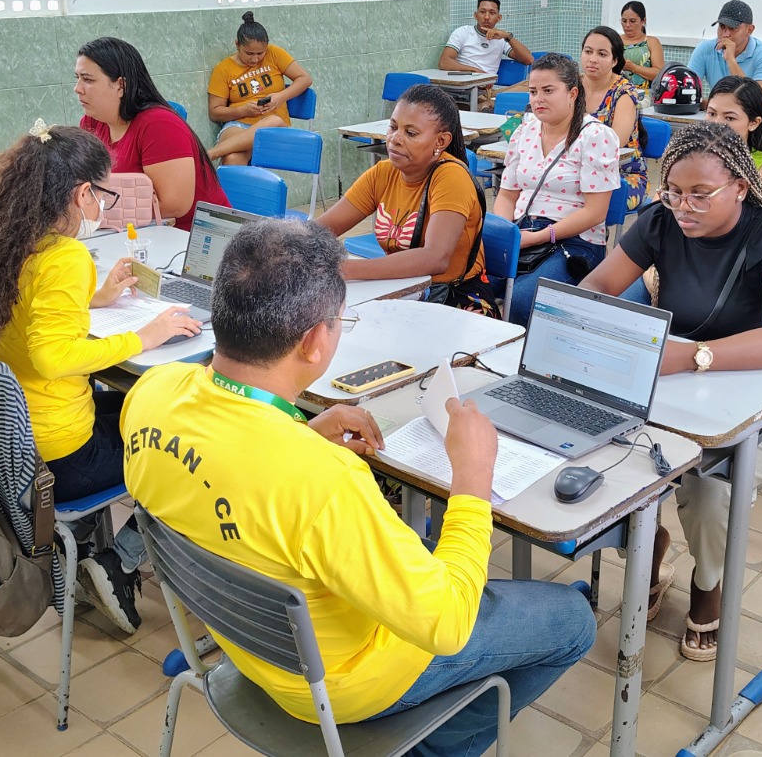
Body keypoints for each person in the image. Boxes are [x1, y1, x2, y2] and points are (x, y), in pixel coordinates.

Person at [122, 219, 595, 756]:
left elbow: (221, 466)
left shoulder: (154, 391)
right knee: (572, 621)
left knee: (422, 559)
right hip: (342, 682)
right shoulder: (322, 480)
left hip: (248, 644)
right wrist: (472, 481)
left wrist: (299, 431)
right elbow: (448, 624)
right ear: (316, 340)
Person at [0, 121, 203, 634]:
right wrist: (145, 336)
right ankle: (117, 560)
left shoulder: (1, 240)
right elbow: (55, 356)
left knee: (136, 408)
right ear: (82, 193)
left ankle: (88, 552)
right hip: (58, 456)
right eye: (102, 193)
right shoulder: (64, 256)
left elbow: (27, 316)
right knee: (182, 441)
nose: (103, 204)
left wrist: (96, 299)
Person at [579, 122, 762, 661]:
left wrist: (694, 356)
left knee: (711, 487)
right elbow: (598, 285)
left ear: (738, 184)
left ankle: (709, 585)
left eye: (701, 194)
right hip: (675, 383)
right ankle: (652, 544)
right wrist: (591, 330)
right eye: (674, 192)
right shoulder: (660, 221)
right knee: (606, 445)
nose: (684, 206)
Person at [317, 84, 495, 314]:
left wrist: (344, 270)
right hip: (404, 290)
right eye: (393, 127)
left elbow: (435, 258)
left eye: (411, 133)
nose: (395, 139)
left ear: (441, 141)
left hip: (455, 300)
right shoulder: (382, 173)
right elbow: (319, 232)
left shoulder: (452, 178)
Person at [494, 53, 618, 325]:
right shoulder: (524, 131)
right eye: (533, 91)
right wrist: (504, 236)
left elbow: (596, 213)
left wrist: (538, 237)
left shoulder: (595, 136)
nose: (538, 99)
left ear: (573, 93)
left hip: (575, 243)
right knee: (469, 281)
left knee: (523, 300)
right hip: (523, 232)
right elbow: (506, 194)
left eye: (548, 91)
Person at [75, 37, 230, 228]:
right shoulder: (92, 122)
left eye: (88, 80)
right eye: (78, 78)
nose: (78, 89)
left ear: (121, 85)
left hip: (193, 238)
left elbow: (175, 206)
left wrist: (91, 209)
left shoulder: (158, 125)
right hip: (136, 231)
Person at [206, 11, 314, 167]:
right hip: (238, 124)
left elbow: (305, 79)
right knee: (232, 159)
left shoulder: (275, 53)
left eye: (260, 53)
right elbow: (215, 112)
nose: (255, 59)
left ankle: (210, 154)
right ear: (237, 44)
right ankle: (231, 190)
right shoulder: (223, 69)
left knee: (273, 120)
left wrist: (280, 97)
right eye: (249, 53)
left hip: (273, 125)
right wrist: (243, 110)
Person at [579, 26, 648, 211]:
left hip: (623, 174)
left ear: (614, 60)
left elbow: (615, 142)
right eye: (588, 51)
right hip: (577, 167)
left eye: (602, 54)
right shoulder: (572, 87)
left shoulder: (624, 92)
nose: (592, 59)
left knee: (575, 200)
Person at [704, 76, 762, 203]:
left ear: (754, 123)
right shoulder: (690, 157)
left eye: (729, 118)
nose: (717, 124)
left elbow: (758, 221)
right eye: (712, 114)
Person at [688, 0, 762, 101]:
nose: (725, 34)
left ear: (749, 30)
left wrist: (731, 60)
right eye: (722, 26)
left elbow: (756, 100)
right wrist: (705, 104)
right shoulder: (705, 49)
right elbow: (688, 87)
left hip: (755, 116)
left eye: (733, 28)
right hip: (718, 115)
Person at [441, 0, 535, 76]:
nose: (486, 17)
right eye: (482, 12)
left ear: (499, 18)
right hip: (463, 87)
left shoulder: (502, 39)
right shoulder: (463, 32)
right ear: (475, 15)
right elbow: (444, 62)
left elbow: (528, 60)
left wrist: (507, 36)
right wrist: (475, 71)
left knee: (527, 86)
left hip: (486, 90)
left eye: (492, 13)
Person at [618, 0, 665, 92]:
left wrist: (633, 68)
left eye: (632, 21)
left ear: (643, 21)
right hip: (617, 91)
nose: (627, 25)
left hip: (643, 94)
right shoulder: (615, 40)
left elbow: (660, 74)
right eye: (624, 21)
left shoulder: (651, 42)